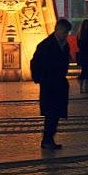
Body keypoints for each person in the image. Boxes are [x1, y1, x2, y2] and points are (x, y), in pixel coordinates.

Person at [30, 18, 72, 150]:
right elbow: (35, 63)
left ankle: (49, 138)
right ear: (57, 30)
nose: (66, 35)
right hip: (50, 85)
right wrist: (41, 79)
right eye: (64, 32)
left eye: (67, 33)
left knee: (56, 113)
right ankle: (47, 139)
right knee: (51, 113)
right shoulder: (46, 45)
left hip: (59, 83)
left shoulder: (64, 44)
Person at [76, 19, 88, 93]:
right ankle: (86, 87)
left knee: (84, 70)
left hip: (82, 55)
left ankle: (81, 87)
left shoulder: (79, 34)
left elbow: (79, 45)